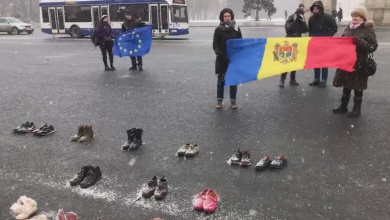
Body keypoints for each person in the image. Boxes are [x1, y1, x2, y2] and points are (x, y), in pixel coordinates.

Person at [332, 6, 377, 117]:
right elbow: (343, 40)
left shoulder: (368, 30)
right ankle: (343, 107)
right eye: (353, 15)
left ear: (362, 17)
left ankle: (357, 110)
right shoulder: (349, 28)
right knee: (346, 85)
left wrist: (360, 42)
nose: (354, 17)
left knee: (358, 87)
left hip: (359, 63)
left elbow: (373, 46)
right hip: (346, 61)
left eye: (356, 16)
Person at [213, 8, 242, 109]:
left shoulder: (236, 28)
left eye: (228, 16)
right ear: (222, 17)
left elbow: (240, 42)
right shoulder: (218, 29)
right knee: (221, 80)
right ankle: (219, 100)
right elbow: (215, 44)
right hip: (222, 58)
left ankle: (233, 101)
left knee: (233, 80)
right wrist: (219, 53)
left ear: (231, 16)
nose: (227, 18)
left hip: (233, 58)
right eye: (225, 16)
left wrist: (237, 54)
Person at [308, 1, 338, 87]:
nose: (315, 10)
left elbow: (334, 28)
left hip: (325, 43)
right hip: (315, 43)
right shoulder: (311, 19)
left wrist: (325, 36)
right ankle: (316, 79)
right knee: (316, 62)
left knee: (324, 62)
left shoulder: (328, 18)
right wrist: (311, 39)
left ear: (320, 9)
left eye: (316, 8)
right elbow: (310, 31)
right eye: (314, 9)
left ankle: (324, 80)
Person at [279, 8, 309, 88]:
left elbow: (305, 30)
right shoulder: (291, 18)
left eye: (301, 13)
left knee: (294, 61)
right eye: (299, 13)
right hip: (289, 42)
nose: (300, 15)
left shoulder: (300, 19)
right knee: (287, 61)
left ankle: (292, 79)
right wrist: (294, 21)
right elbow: (287, 29)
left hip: (297, 42)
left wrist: (302, 21)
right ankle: (282, 80)